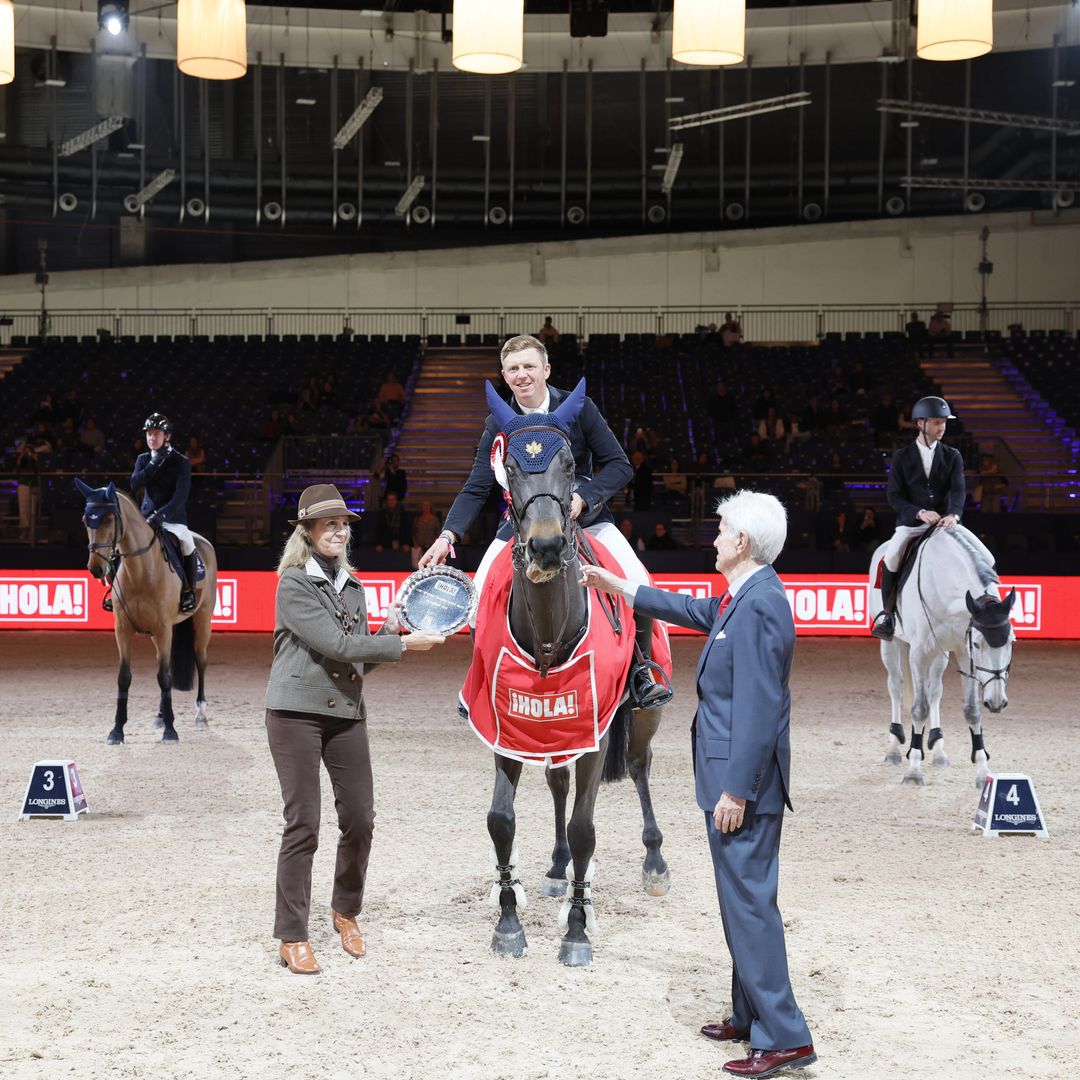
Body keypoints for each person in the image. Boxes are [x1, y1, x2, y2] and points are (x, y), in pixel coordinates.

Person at [580, 491, 816, 1078]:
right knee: (739, 904)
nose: (712, 538)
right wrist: (619, 587)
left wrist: (736, 789)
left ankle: (785, 1035)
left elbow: (761, 709)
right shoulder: (744, 596)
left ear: (742, 542)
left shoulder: (762, 604)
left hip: (743, 788)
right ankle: (749, 1014)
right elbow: (688, 609)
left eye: (719, 529)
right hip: (728, 780)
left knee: (752, 906)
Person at [265, 484, 445, 975]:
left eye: (343, 524)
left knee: (361, 819)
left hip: (345, 712)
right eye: (329, 524)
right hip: (295, 714)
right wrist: (403, 646)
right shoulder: (294, 583)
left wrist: (386, 635)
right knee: (303, 824)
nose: (339, 531)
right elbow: (338, 645)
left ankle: (345, 910)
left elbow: (356, 663)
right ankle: (292, 934)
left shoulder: (354, 586)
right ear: (307, 532)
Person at [419, 334, 656, 662]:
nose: (522, 374)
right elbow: (476, 487)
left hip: (584, 520)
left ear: (546, 369)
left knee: (636, 580)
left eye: (529, 365)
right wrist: (447, 536)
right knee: (476, 602)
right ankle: (484, 676)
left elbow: (620, 466)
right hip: (522, 524)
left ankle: (642, 672)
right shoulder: (496, 424)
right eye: (513, 368)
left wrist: (584, 498)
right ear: (505, 377)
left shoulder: (580, 407)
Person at [871, 396, 979, 641]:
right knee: (892, 556)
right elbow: (894, 496)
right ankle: (887, 615)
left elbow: (958, 490)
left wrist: (954, 514)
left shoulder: (953, 455)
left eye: (944, 423)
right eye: (937, 423)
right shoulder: (901, 456)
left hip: (945, 525)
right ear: (920, 423)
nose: (942, 428)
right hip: (912, 525)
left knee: (981, 554)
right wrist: (918, 512)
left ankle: (987, 606)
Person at [129, 413, 197, 613]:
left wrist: (161, 515)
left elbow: (180, 498)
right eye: (149, 434)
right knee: (121, 542)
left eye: (156, 434)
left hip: (172, 519)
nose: (151, 438)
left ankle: (188, 591)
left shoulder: (181, 462)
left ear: (166, 436)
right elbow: (134, 484)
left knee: (187, 543)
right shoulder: (143, 459)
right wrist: (153, 464)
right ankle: (114, 589)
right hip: (145, 519)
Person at [411, 500, 442, 568]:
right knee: (418, 564)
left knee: (430, 564)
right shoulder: (417, 519)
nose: (426, 507)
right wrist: (415, 544)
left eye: (427, 505)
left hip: (431, 546)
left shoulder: (435, 519)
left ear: (430, 507)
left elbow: (438, 532)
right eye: (424, 505)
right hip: (419, 546)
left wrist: (435, 544)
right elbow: (413, 532)